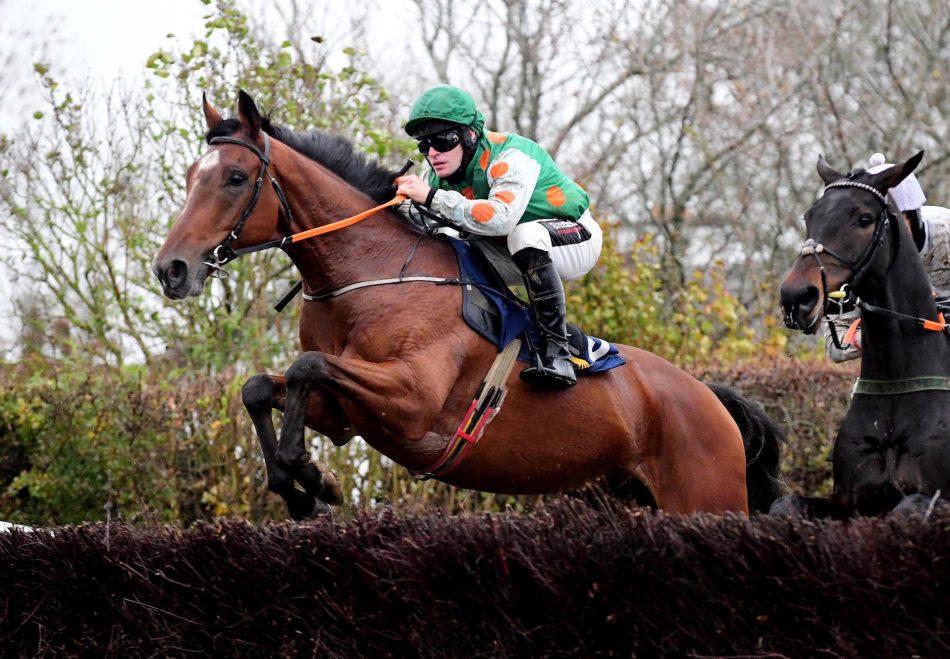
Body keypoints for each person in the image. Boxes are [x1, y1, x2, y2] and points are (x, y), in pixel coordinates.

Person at [396, 84, 603, 389]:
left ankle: (558, 354)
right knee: (446, 243)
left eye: (442, 140)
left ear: (470, 134)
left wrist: (429, 197)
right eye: (424, 145)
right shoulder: (437, 176)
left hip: (575, 237)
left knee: (523, 233)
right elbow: (427, 220)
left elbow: (499, 219)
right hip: (513, 248)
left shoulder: (511, 156)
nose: (433, 153)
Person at [825, 152, 950, 362]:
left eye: (892, 223)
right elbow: (836, 347)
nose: (885, 234)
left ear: (912, 216)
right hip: (901, 364)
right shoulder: (858, 262)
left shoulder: (946, 230)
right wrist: (895, 325)